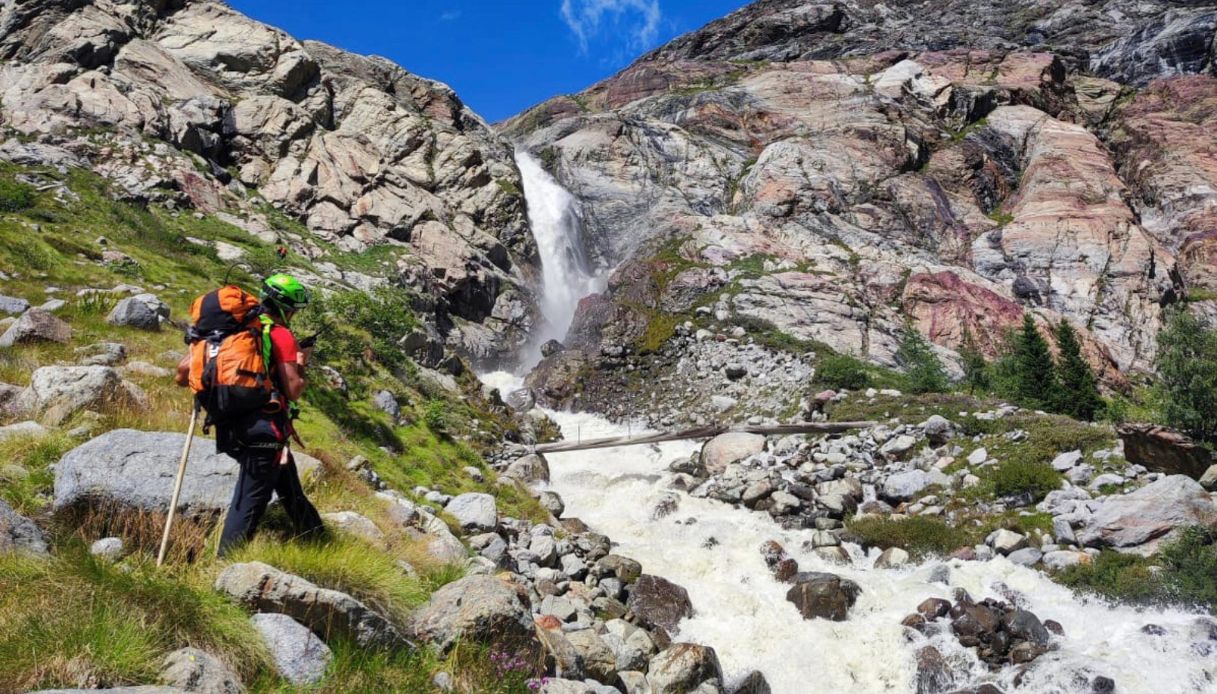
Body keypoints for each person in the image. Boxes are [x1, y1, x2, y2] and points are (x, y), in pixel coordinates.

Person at [176, 273, 324, 557]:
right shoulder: (279, 334)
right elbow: (293, 389)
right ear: (286, 308)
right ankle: (225, 564)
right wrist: (302, 362)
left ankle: (316, 539)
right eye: (293, 309)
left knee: (288, 484)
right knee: (250, 501)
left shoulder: (229, 333)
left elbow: (182, 375)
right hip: (263, 428)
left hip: (228, 424)